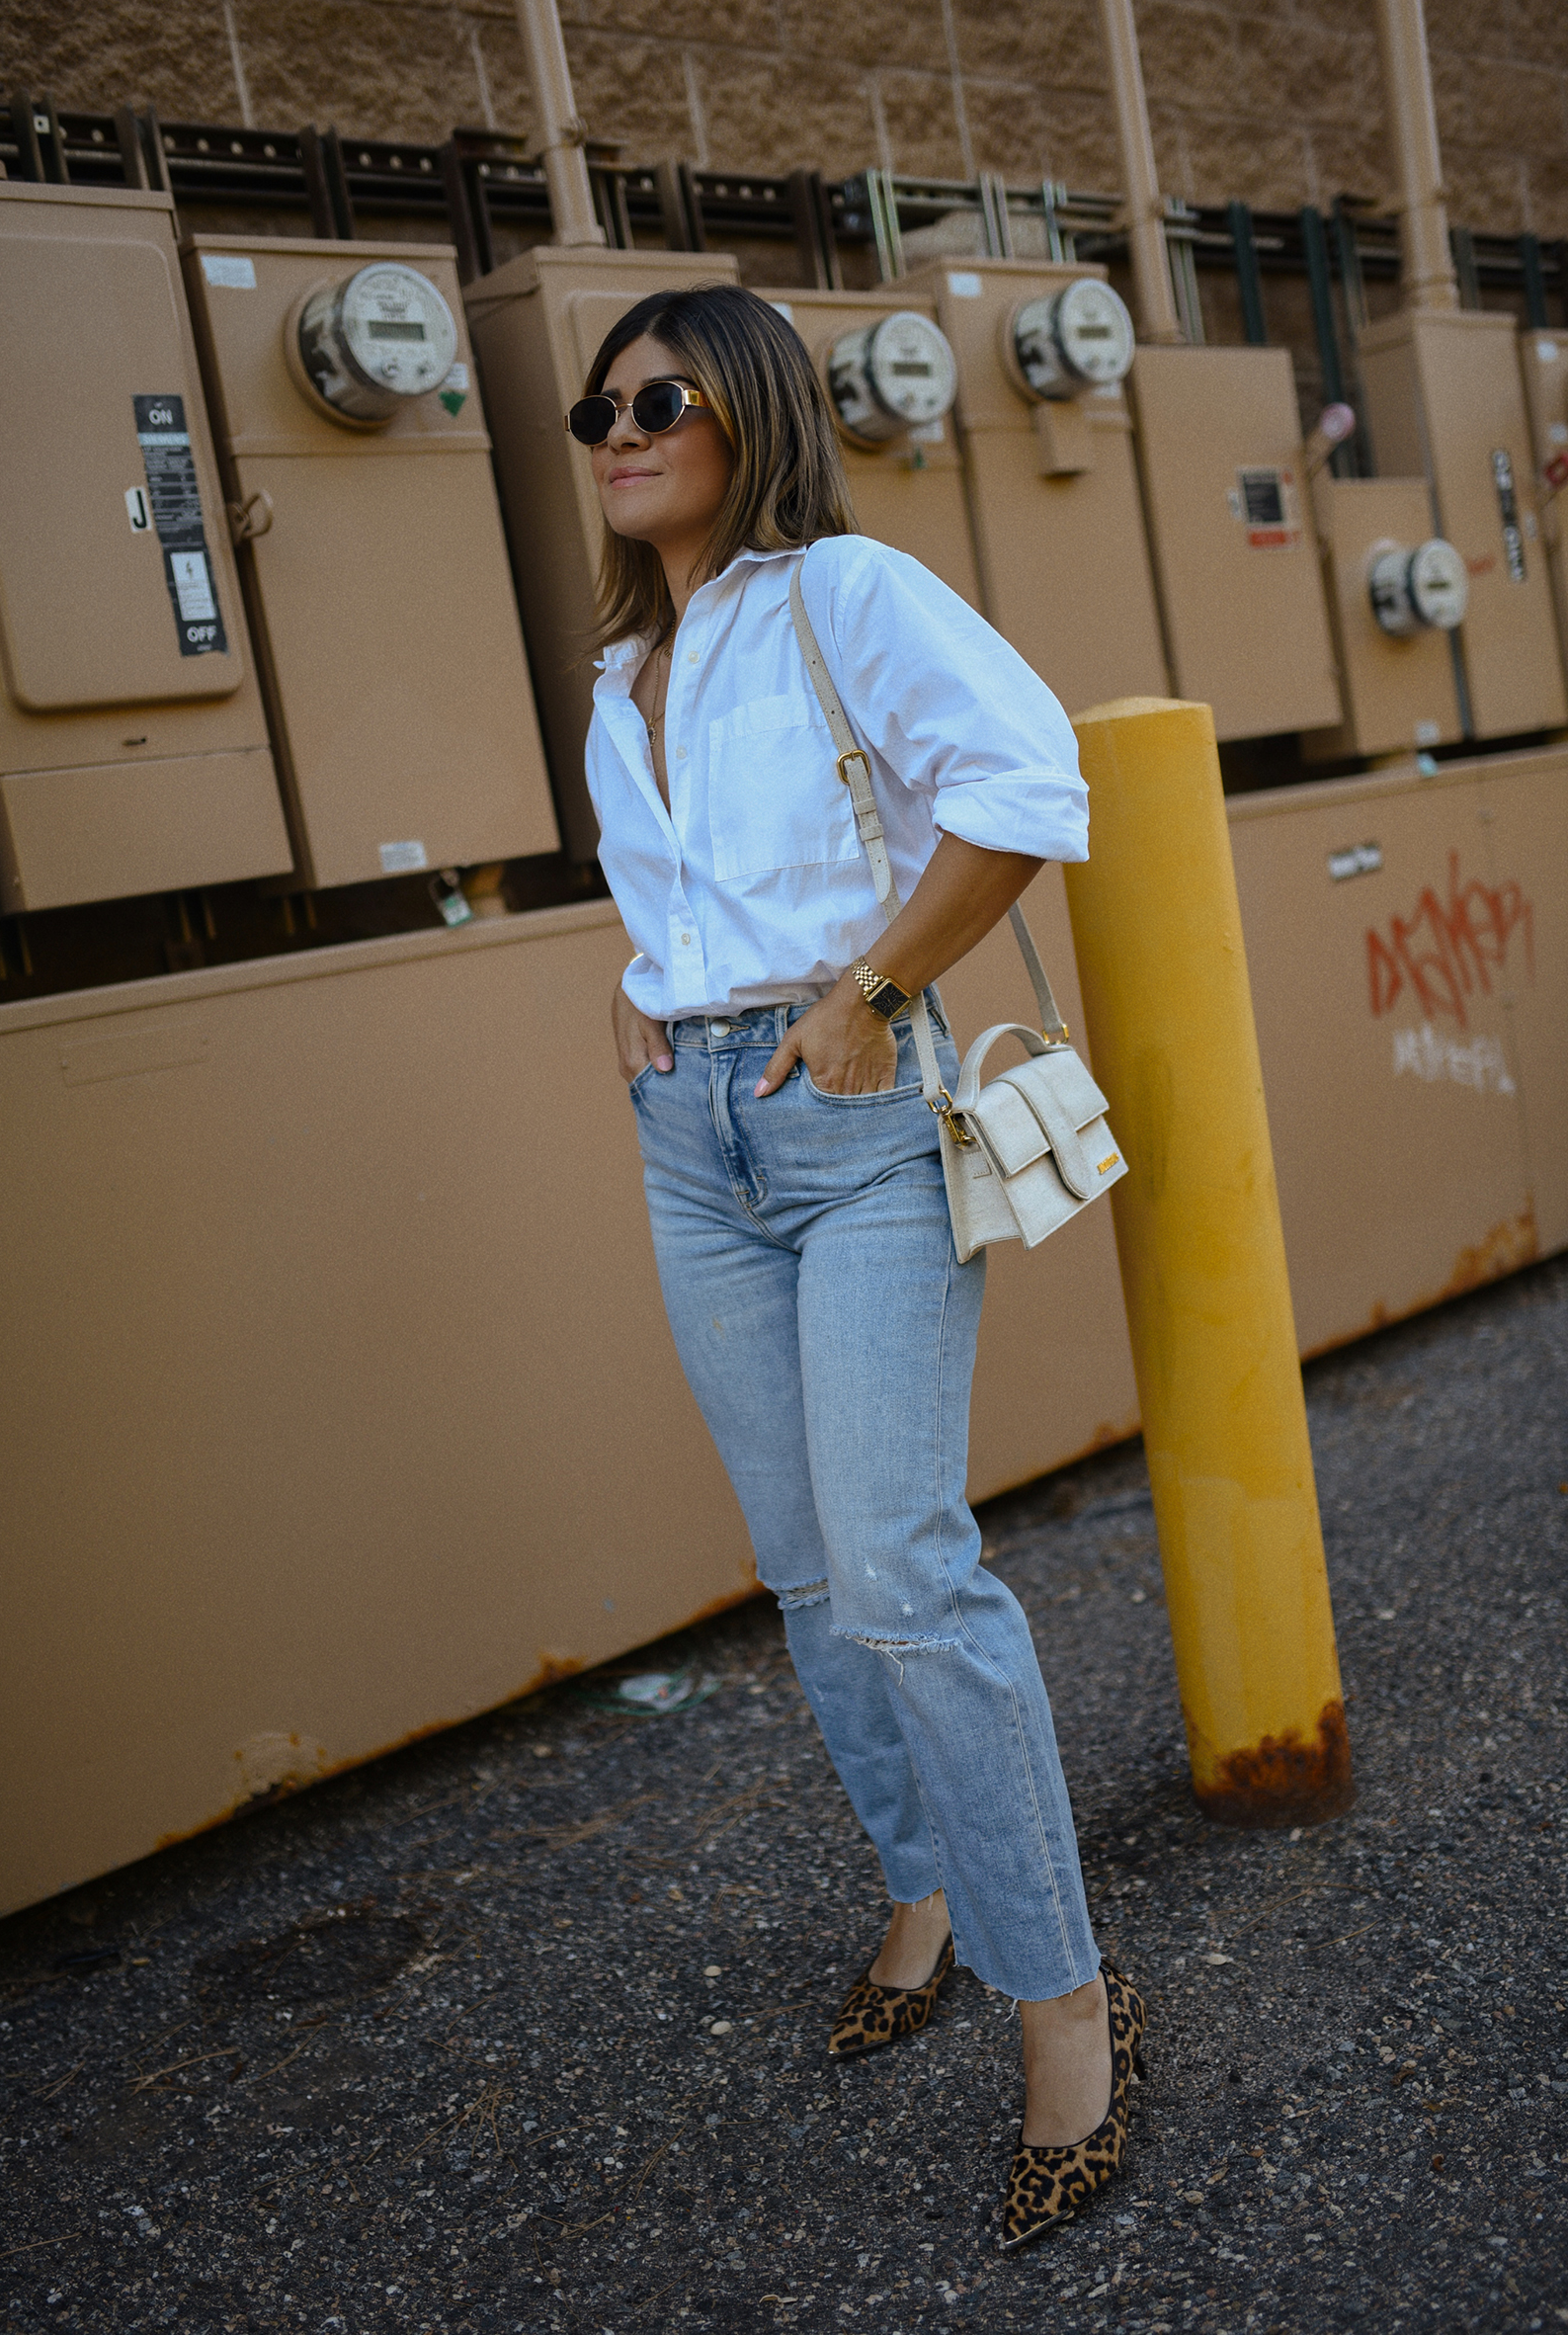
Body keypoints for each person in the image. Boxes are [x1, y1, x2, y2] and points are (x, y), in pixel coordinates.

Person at [570, 281, 1144, 2249]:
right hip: (692, 1142)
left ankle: (1064, 2004)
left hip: (852, 1113)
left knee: (903, 1568)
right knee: (809, 1569)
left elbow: (1024, 783)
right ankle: (918, 1882)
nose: (616, 425)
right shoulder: (611, 678)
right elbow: (679, 901)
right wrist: (634, 1002)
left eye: (655, 395)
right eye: (597, 405)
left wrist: (865, 989)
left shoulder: (844, 594)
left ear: (743, 409)